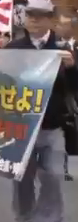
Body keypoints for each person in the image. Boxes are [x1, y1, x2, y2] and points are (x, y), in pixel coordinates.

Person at [7, 0, 77, 222]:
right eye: (30, 15)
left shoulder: (62, 49)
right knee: (21, 178)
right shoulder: (13, 49)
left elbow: (75, 88)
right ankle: (24, 216)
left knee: (53, 176)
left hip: (52, 124)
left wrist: (72, 68)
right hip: (21, 125)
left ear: (51, 20)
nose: (35, 20)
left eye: (41, 15)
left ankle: (50, 217)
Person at [56, 10, 78, 181]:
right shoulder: (53, 47)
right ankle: (63, 168)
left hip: (74, 95)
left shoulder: (75, 48)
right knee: (62, 134)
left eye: (63, 24)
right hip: (59, 97)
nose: (59, 27)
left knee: (72, 135)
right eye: (58, 24)